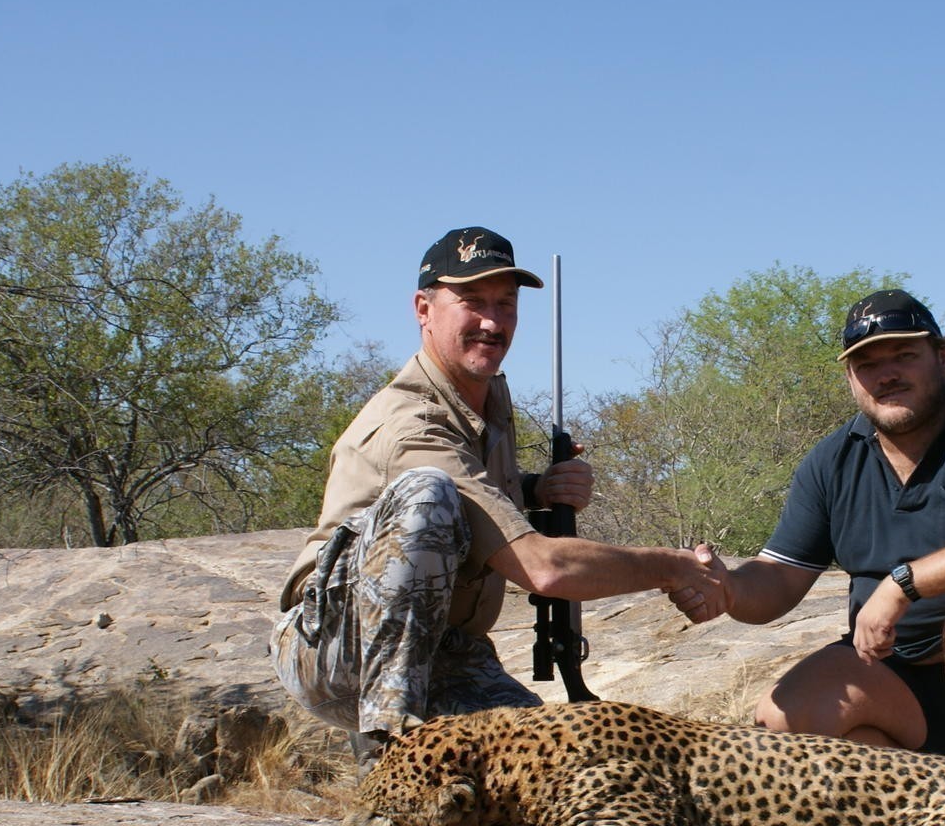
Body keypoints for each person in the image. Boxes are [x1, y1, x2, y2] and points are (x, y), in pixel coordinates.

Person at [272, 226, 725, 767]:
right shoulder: (410, 426)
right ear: (424, 308)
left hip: (448, 651)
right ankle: (388, 758)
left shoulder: (486, 395)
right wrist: (672, 568)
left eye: (505, 304)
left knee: (555, 768)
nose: (492, 322)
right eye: (472, 302)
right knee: (425, 495)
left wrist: (535, 488)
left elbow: (477, 498)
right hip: (334, 648)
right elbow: (543, 569)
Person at [708, 288, 945, 778]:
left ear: (944, 357)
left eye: (904, 355)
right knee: (783, 722)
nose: (886, 374)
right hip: (899, 679)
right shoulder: (831, 461)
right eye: (866, 364)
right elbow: (778, 580)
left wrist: (902, 583)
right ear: (851, 379)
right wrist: (725, 587)